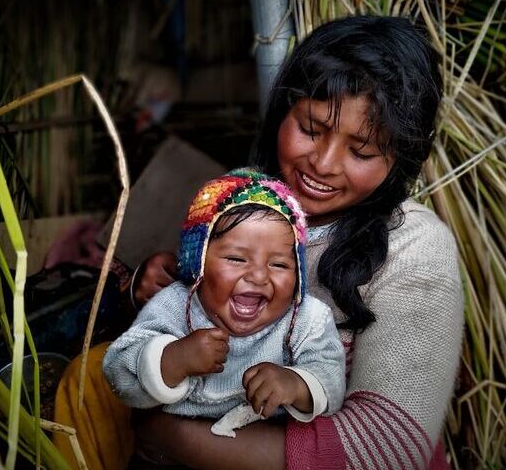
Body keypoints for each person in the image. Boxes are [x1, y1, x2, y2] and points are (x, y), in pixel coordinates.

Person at [126, 15, 464, 470]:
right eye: (310, 128)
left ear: (399, 159)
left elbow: (384, 459)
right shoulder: (242, 197)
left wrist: (175, 438)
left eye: (361, 152)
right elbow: (184, 312)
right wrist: (153, 284)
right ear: (283, 111)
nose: (323, 164)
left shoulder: (415, 247)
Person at [102, 169, 345, 449]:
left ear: (298, 274)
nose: (258, 276)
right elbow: (117, 372)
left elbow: (332, 379)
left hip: (254, 460)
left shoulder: (306, 319)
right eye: (236, 259)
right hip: (169, 459)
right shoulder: (175, 305)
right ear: (198, 264)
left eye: (279, 264)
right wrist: (173, 359)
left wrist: (297, 384)